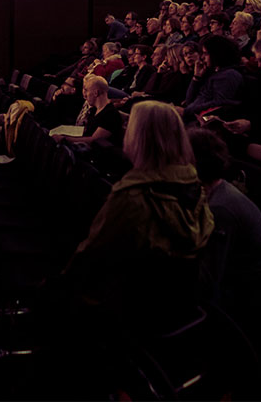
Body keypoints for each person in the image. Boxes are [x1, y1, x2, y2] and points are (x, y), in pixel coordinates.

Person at [61, 101, 213, 324]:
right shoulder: (195, 190)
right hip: (168, 312)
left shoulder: (133, 197)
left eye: (129, 126)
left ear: (139, 137)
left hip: (120, 312)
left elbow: (89, 262)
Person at [189, 128, 261, 322]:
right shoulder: (215, 190)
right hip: (231, 279)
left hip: (240, 295)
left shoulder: (220, 209)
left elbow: (208, 280)